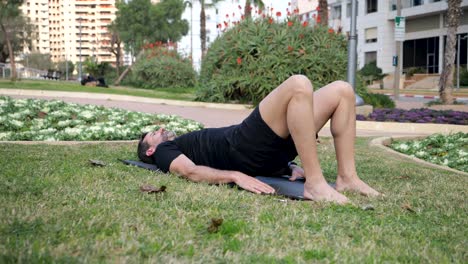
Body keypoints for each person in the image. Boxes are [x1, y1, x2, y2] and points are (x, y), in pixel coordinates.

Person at [137, 75, 380, 204]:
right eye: (153, 134)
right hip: (242, 146)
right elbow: (188, 171)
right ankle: (315, 184)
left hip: (266, 154)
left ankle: (347, 177)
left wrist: (287, 167)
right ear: (150, 151)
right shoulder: (165, 151)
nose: (160, 130)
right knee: (298, 85)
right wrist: (234, 176)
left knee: (343, 90)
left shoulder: (180, 143)